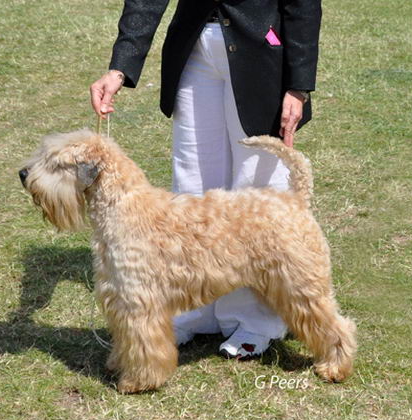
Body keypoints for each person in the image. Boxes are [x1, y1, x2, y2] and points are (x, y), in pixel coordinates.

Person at [90, 0, 322, 359]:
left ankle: (254, 320)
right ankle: (193, 310)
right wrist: (120, 66)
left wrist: (299, 84)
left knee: (255, 188)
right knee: (191, 184)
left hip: (263, 50)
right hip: (194, 48)